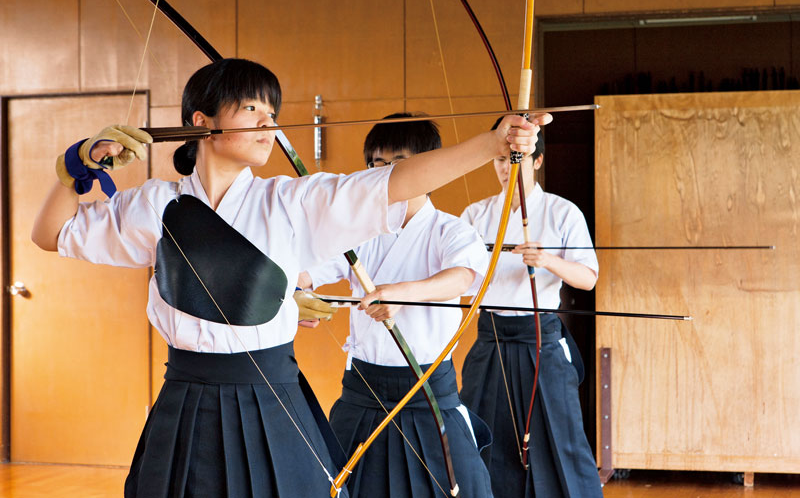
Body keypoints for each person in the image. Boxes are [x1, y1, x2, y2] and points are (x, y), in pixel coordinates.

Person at [30, 58, 545, 498]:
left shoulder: (292, 201)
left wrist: (490, 143)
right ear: (201, 119)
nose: (267, 122)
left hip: (269, 394)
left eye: (271, 113)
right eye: (251, 107)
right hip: (185, 394)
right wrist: (78, 164)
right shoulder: (156, 204)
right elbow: (51, 235)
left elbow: (394, 182)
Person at [296, 114, 493, 498]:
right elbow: (310, 269)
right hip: (363, 393)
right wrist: (295, 293)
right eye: (376, 165)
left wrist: (403, 294)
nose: (385, 175)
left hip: (427, 391)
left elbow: (463, 277)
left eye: (399, 163)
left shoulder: (451, 231)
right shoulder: (359, 231)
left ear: (428, 168)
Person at [459, 123, 603, 498]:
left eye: (516, 158)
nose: (506, 167)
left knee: (563, 439)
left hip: (541, 340)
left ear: (537, 160)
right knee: (479, 437)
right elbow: (461, 280)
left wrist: (548, 260)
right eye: (500, 158)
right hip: (490, 340)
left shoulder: (562, 212)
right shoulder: (474, 215)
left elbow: (587, 278)